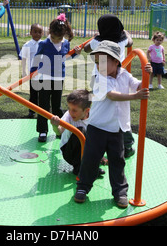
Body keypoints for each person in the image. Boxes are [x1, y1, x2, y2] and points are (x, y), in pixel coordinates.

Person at [74, 40, 152, 208]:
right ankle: (82, 188)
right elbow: (111, 95)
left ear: (116, 61)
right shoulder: (98, 78)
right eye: (96, 62)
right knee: (90, 159)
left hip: (117, 128)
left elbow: (138, 85)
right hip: (98, 127)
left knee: (118, 161)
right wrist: (134, 97)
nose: (99, 65)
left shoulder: (124, 74)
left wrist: (148, 75)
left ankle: (120, 192)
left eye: (103, 61)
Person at [84, 14, 136, 158]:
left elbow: (86, 48)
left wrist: (96, 37)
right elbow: (130, 42)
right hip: (116, 78)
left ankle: (94, 140)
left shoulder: (97, 42)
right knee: (119, 113)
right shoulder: (122, 40)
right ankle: (127, 146)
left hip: (98, 78)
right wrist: (127, 33)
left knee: (98, 110)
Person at [31, 13, 81, 143]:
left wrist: (76, 53)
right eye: (53, 37)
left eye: (58, 38)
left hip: (59, 78)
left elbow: (66, 57)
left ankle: (59, 129)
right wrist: (32, 73)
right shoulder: (44, 43)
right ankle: (42, 131)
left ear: (63, 35)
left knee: (56, 106)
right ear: (49, 32)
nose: (55, 40)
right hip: (45, 78)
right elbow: (37, 58)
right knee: (43, 106)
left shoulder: (65, 44)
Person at [50, 89, 106, 178]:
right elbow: (59, 131)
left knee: (97, 134)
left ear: (87, 111)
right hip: (69, 152)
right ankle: (79, 168)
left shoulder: (94, 117)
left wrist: (101, 156)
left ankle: (92, 166)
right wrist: (55, 126)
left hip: (86, 150)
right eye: (69, 108)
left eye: (74, 110)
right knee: (80, 131)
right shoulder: (68, 116)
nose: (71, 112)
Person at [20, 23, 43, 118]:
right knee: (33, 94)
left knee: (43, 94)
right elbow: (24, 58)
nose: (37, 34)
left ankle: (43, 111)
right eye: (35, 32)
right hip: (32, 74)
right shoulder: (27, 45)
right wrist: (23, 71)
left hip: (43, 74)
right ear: (30, 32)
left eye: (40, 32)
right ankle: (32, 111)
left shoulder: (44, 44)